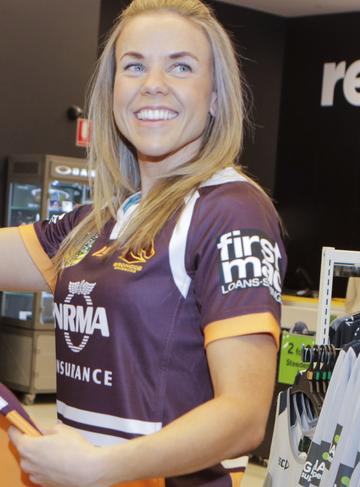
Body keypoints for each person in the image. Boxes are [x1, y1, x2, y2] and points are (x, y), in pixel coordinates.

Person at [4, 1, 285, 486]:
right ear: (113, 92)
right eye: (134, 66)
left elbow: (244, 416)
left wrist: (101, 467)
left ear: (216, 96)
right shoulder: (105, 219)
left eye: (180, 66)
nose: (153, 83)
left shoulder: (231, 210)